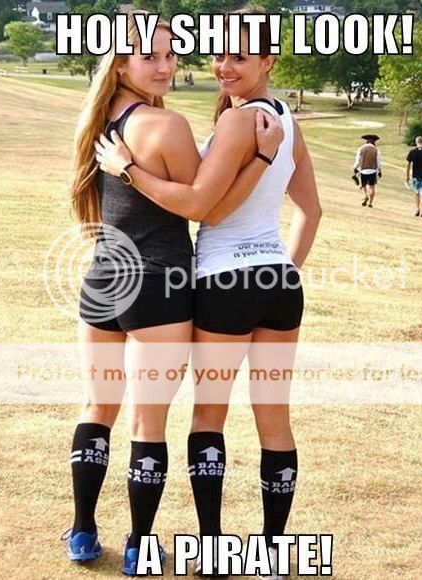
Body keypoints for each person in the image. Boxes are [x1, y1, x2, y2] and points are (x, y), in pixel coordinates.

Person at [95, 8, 322, 579]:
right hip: (278, 284)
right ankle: (272, 551)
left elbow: (204, 208)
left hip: (223, 283)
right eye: (219, 54)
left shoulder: (240, 121)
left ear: (268, 61)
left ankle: (214, 548)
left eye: (239, 57)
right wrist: (280, 270)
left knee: (208, 418)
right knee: (275, 420)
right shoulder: (287, 120)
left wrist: (127, 170)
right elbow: (312, 211)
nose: (224, 67)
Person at [353, 134, 382, 208]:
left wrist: (355, 168)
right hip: (372, 171)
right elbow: (378, 162)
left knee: (363, 185)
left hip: (363, 170)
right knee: (372, 187)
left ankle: (365, 195)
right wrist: (379, 170)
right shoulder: (376, 150)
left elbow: (358, 160)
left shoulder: (361, 149)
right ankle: (370, 203)